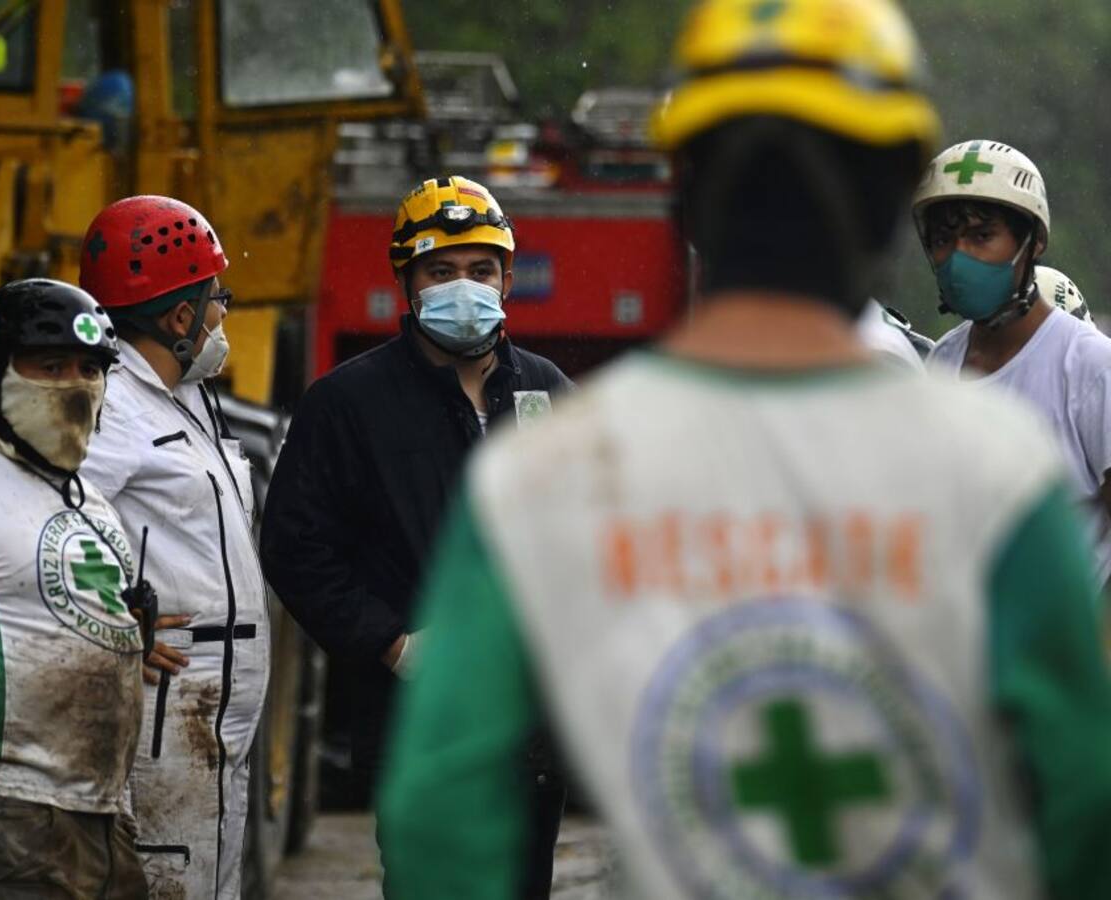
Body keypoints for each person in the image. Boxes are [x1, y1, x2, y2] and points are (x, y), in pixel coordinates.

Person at [377, 2, 1111, 899]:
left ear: (683, 191)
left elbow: (437, 812)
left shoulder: (543, 478)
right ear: (892, 209)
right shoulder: (1002, 480)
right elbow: (1077, 811)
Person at [260, 175, 571, 897]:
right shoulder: (347, 405)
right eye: (441, 271)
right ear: (407, 280)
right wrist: (390, 640)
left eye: (480, 270)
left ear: (507, 278)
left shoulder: (547, 392)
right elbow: (295, 547)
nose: (463, 287)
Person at [0, 279, 149, 898]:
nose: (75, 383)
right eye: (50, 365)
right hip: (3, 812)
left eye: (90, 368)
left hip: (105, 815)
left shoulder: (92, 503)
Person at [78, 195, 269, 899]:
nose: (223, 315)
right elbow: (54, 516)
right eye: (216, 299)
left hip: (213, 709)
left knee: (210, 873)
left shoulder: (180, 394)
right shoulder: (115, 404)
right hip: (172, 704)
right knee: (167, 879)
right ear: (180, 317)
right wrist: (107, 614)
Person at [917, 142, 1111, 585]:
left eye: (982, 236)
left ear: (1033, 241)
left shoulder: (1089, 365)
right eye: (944, 240)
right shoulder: (944, 361)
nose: (959, 257)